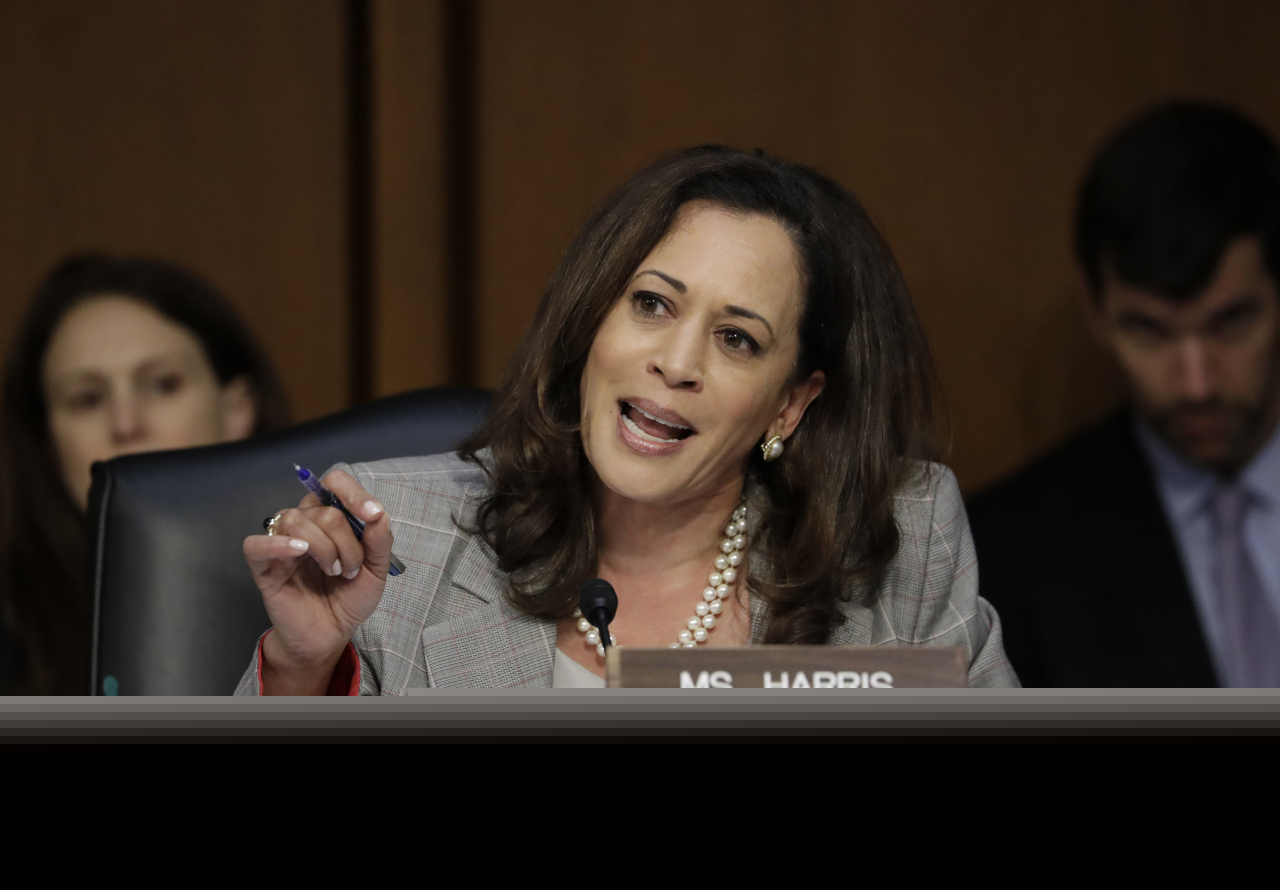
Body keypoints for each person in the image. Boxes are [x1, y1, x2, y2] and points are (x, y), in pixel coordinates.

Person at [238, 146, 1017, 694]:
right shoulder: (399, 543)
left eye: (737, 339)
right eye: (652, 304)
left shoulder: (898, 547)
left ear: (791, 403)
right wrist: (304, 669)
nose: (677, 363)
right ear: (591, 325)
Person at [967, 102, 1280, 687]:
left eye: (1231, 321)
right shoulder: (1006, 554)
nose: (1197, 384)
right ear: (1095, 310)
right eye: (1149, 330)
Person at [0, 255, 289, 694]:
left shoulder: (339, 597)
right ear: (47, 444)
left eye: (163, 384)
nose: (125, 423)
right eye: (87, 399)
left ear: (237, 409)